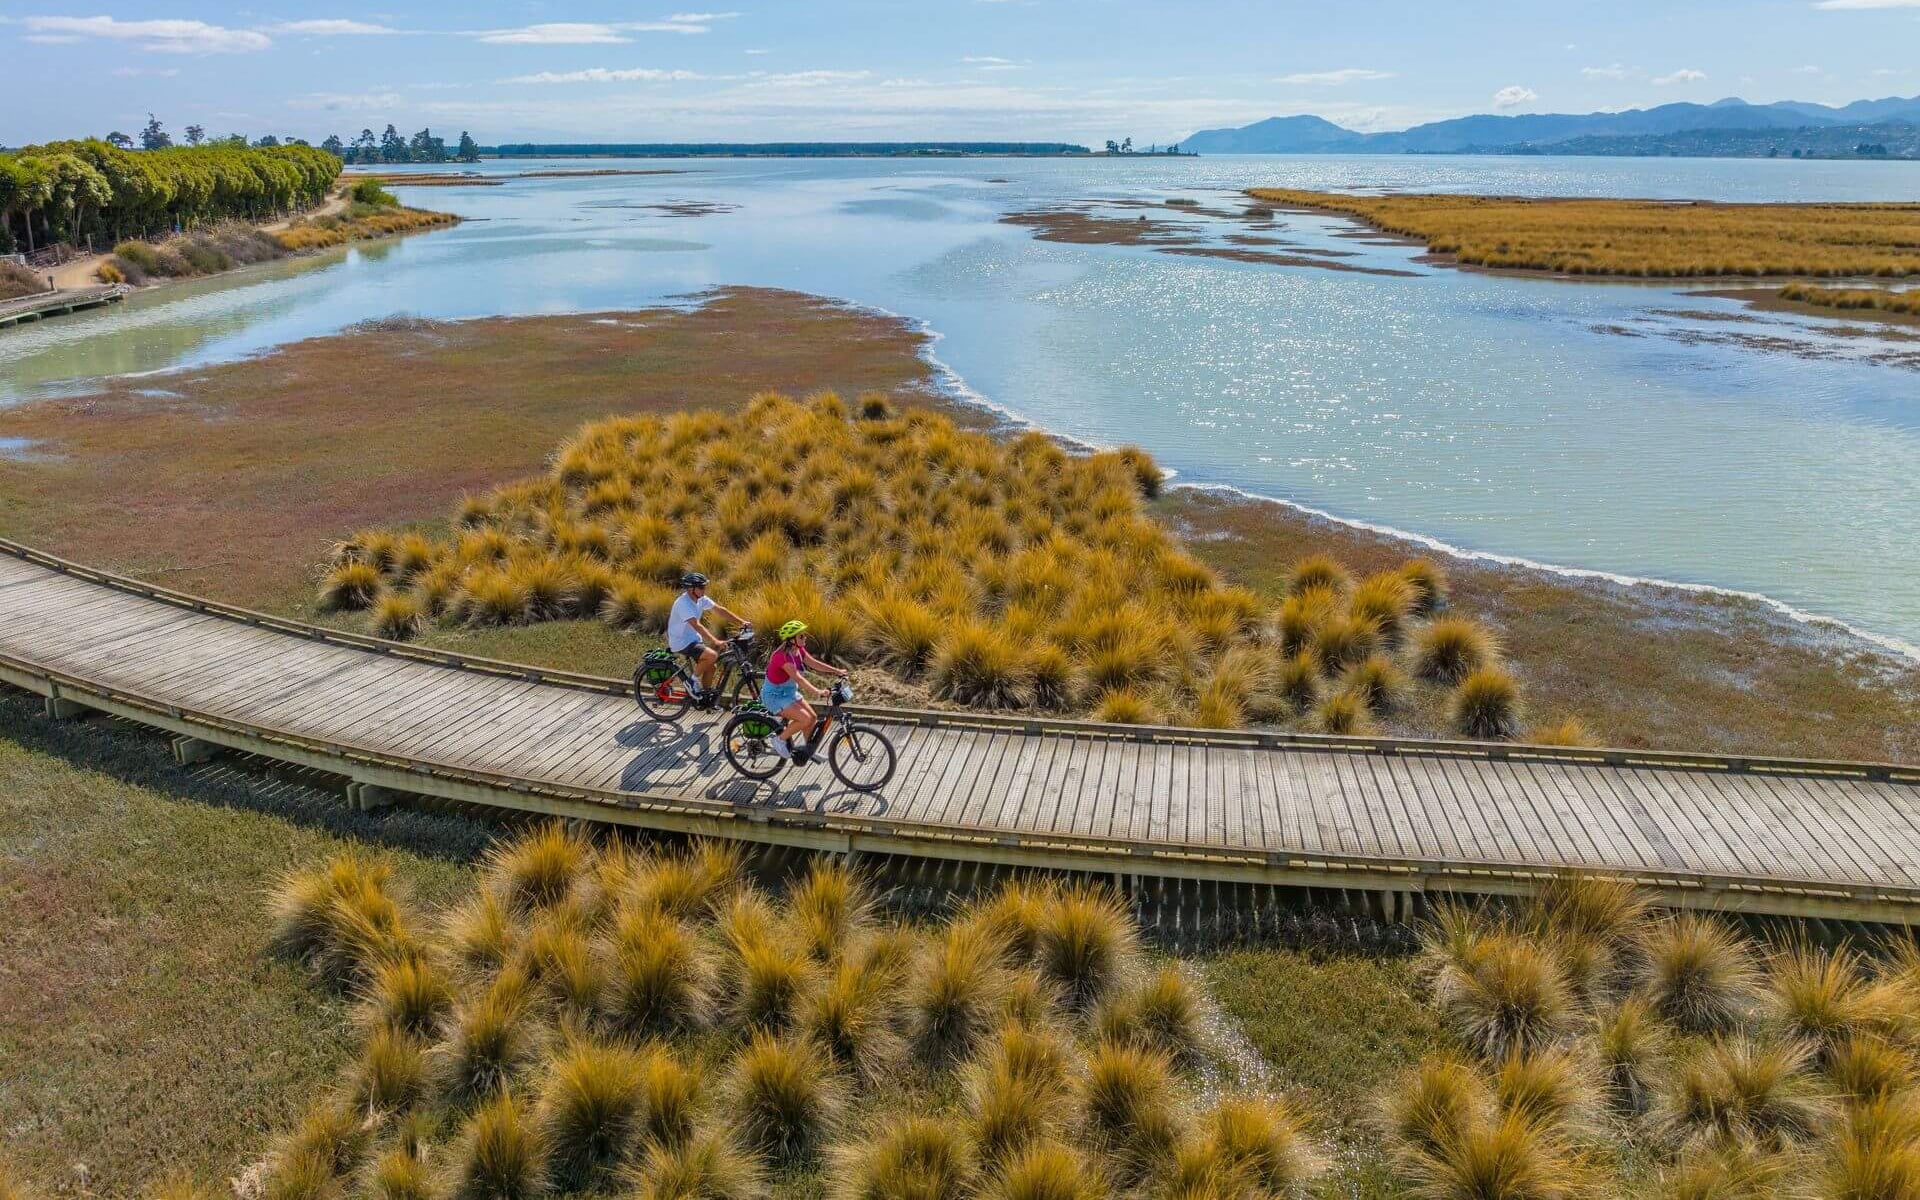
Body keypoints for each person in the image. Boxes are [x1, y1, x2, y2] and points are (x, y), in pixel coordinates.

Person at [760, 620, 847, 761]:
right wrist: (817, 691)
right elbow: (799, 679)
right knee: (805, 719)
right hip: (774, 697)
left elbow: (814, 664)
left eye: (804, 635)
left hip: (789, 693)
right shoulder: (782, 657)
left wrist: (836, 671)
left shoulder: (798, 650)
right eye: (801, 636)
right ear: (791, 640)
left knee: (812, 718)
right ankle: (779, 740)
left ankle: (809, 750)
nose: (805, 638)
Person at [665, 572, 745, 703]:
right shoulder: (682, 604)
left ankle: (706, 699)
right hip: (681, 641)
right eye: (701, 587)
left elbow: (720, 610)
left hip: (693, 639)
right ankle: (691, 682)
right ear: (691, 589)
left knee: (711, 667)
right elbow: (697, 625)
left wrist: (742, 622)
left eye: (704, 587)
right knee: (712, 655)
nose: (704, 590)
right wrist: (715, 641)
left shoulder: (700, 599)